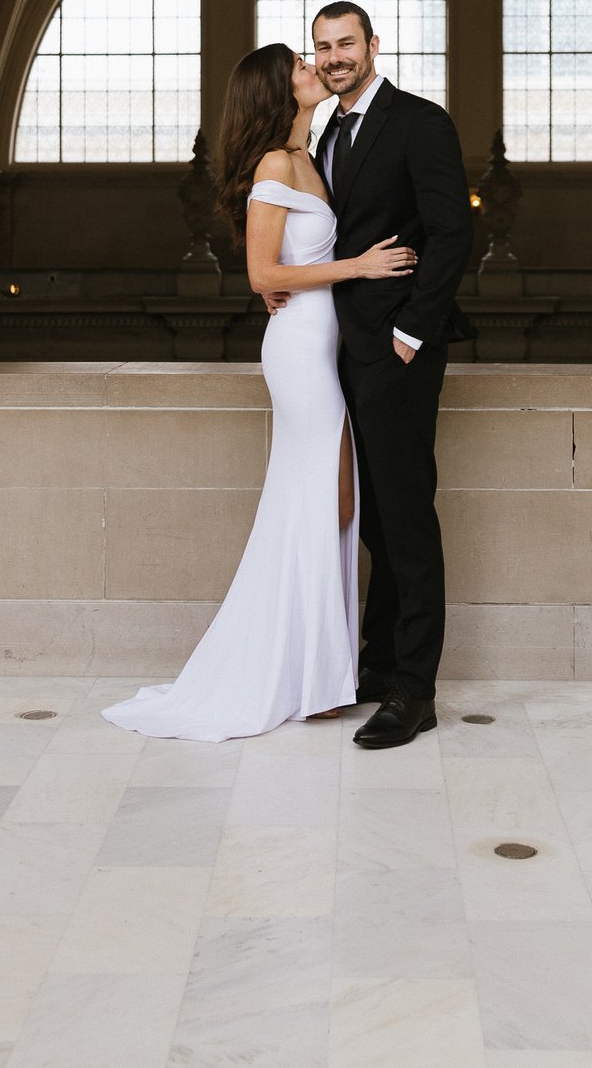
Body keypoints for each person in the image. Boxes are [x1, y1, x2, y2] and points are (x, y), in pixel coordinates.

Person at [100, 43, 417, 742]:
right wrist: (358, 267)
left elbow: (291, 262)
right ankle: (308, 678)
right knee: (325, 498)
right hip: (300, 349)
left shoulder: (312, 154)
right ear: (279, 89)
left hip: (325, 344)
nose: (314, 66)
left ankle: (315, 670)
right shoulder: (275, 165)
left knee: (334, 501)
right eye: (300, 64)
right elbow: (261, 273)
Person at [299, 2, 474, 750]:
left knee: (405, 518)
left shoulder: (420, 122)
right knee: (370, 516)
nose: (335, 56)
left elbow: (453, 232)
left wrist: (411, 332)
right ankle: (377, 663)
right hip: (341, 348)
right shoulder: (325, 132)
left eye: (346, 43)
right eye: (322, 46)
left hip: (398, 349)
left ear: (373, 44)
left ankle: (414, 690)